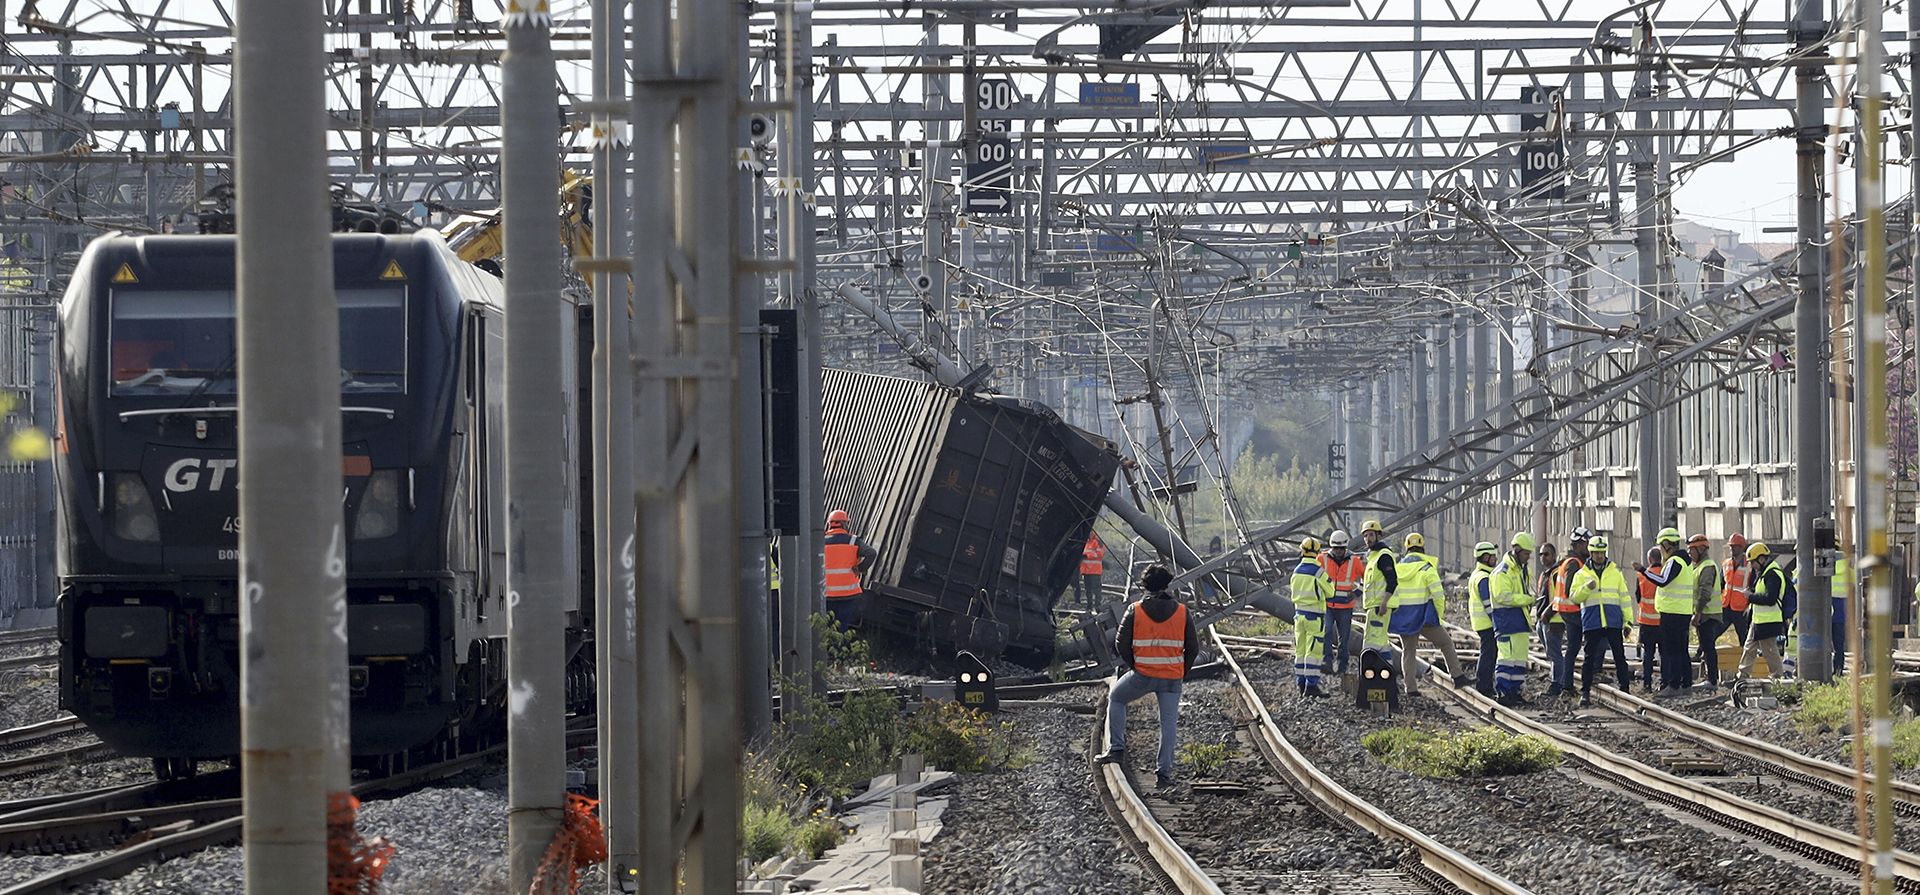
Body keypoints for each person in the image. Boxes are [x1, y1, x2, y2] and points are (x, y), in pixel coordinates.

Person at [1095, 565, 1200, 788]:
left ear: (1145, 586)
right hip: (1171, 678)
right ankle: (1163, 775)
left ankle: (1117, 749)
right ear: (1167, 584)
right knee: (1168, 723)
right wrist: (1181, 671)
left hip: (1143, 674)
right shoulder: (1182, 611)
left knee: (1116, 698)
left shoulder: (1135, 610)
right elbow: (1193, 648)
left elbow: (1120, 643)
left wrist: (1135, 665)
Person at [1390, 532, 1467, 694]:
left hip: (1405, 618)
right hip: (1424, 617)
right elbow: (1438, 595)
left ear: (1406, 549)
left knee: (1408, 652)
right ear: (1422, 548)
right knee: (1446, 643)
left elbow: (1392, 593)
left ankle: (1410, 688)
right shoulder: (1427, 568)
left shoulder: (1397, 569)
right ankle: (1458, 676)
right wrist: (1438, 616)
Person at [1569, 535, 1632, 705]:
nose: (1599, 556)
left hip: (1612, 621)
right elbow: (1574, 597)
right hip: (1592, 621)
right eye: (1596, 552)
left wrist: (1628, 621)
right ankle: (1585, 692)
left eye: (1602, 552)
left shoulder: (1615, 573)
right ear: (1590, 552)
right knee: (1589, 658)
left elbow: (1624, 598)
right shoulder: (1581, 574)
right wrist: (1586, 588)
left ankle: (1625, 689)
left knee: (1619, 656)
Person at [1636, 528, 1694, 696]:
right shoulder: (1686, 560)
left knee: (1673, 650)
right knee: (1682, 650)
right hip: (1682, 611)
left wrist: (1643, 570)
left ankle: (1674, 685)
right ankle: (1686, 684)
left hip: (1673, 612)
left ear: (1667, 545)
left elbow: (1662, 581)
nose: (1660, 549)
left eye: (1662, 545)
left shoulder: (1675, 561)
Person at [1489, 532, 1537, 706]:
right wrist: (1527, 599)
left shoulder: (1521, 570)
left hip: (1519, 620)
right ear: (1516, 550)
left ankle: (1515, 691)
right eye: (1525, 553)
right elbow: (1503, 596)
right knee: (1506, 658)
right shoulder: (1502, 572)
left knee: (1519, 658)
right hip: (1506, 620)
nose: (1528, 557)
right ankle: (1503, 691)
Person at [1547, 530, 1594, 698]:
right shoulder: (1574, 563)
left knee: (1573, 648)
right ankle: (1575, 681)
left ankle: (1567, 684)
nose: (1589, 547)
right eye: (1587, 543)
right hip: (1572, 610)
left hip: (1567, 611)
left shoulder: (1570, 561)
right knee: (1590, 642)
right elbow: (1570, 590)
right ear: (1579, 544)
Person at [1736, 543, 1788, 682]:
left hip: (1769, 621)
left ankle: (1778, 677)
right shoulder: (1764, 573)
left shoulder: (1773, 574)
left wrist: (1750, 597)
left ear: (1761, 559)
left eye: (1753, 562)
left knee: (1770, 652)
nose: (1752, 566)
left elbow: (1771, 599)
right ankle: (1742, 676)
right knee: (1749, 648)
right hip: (1758, 620)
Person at [1291, 538, 1333, 698]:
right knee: (1313, 652)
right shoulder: (1318, 572)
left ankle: (1300, 684)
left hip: (1298, 615)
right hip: (1314, 617)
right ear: (1317, 553)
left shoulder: (1296, 571)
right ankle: (1312, 685)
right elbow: (1331, 591)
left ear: (1302, 551)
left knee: (1300, 650)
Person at [824, 509, 879, 628]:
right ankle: (839, 645)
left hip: (825, 594)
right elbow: (871, 553)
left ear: (829, 524)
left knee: (825, 627)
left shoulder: (820, 542)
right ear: (845, 524)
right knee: (842, 627)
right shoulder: (853, 541)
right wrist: (859, 568)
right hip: (847, 594)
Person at [1322, 529, 1364, 676]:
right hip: (1327, 605)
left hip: (1346, 606)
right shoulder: (1322, 559)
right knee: (1326, 632)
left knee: (1344, 638)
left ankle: (1342, 665)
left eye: (1341, 548)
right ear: (1331, 547)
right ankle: (1326, 661)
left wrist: (1357, 592)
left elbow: (1367, 577)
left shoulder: (1355, 561)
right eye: (1336, 548)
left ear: (1345, 547)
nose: (1338, 551)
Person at [1359, 520, 1399, 662]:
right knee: (1381, 643)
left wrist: (1384, 603)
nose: (1367, 539)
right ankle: (1386, 675)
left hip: (1379, 607)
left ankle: (1372, 674)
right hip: (1374, 606)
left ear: (1378, 536)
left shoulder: (1383, 556)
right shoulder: (1373, 557)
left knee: (1371, 643)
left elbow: (1392, 581)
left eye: (1370, 535)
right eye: (1365, 536)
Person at [1688, 534, 1725, 688]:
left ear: (1701, 549)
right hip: (1704, 613)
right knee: (1705, 645)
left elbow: (1704, 592)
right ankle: (1709, 678)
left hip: (1708, 614)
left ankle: (1712, 680)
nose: (1690, 554)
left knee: (1708, 646)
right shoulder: (1697, 567)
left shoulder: (1707, 566)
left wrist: (1698, 613)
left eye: (1692, 550)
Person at [1467, 541, 1500, 696]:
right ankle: (1484, 686)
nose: (1495, 559)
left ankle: (1484, 684)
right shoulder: (1484, 578)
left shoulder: (1478, 574)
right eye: (1493, 556)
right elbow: (1488, 603)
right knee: (1489, 653)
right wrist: (1495, 622)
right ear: (1485, 557)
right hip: (1487, 623)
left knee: (1488, 652)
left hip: (1481, 623)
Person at [1635, 546, 1662, 689]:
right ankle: (1665, 681)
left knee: (1648, 654)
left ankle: (1647, 683)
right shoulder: (1664, 573)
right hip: (1662, 621)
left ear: (1650, 559)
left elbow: (1638, 596)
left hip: (1646, 621)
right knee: (1664, 653)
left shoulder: (1642, 575)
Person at [1722, 534, 1751, 645]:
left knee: (1744, 638)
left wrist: (1749, 605)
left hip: (1741, 609)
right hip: (1726, 606)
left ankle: (1746, 660)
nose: (1732, 549)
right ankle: (1701, 653)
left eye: (1735, 546)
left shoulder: (1749, 565)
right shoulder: (1726, 564)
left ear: (1742, 547)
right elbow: (1722, 584)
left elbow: (1752, 585)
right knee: (1713, 633)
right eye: (1731, 546)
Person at [1077, 532, 1107, 608]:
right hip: (1086, 571)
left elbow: (1100, 553)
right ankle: (1089, 606)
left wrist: (1087, 555)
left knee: (1096, 589)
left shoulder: (1097, 542)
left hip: (1095, 570)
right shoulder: (1084, 542)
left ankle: (1098, 606)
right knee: (1088, 589)